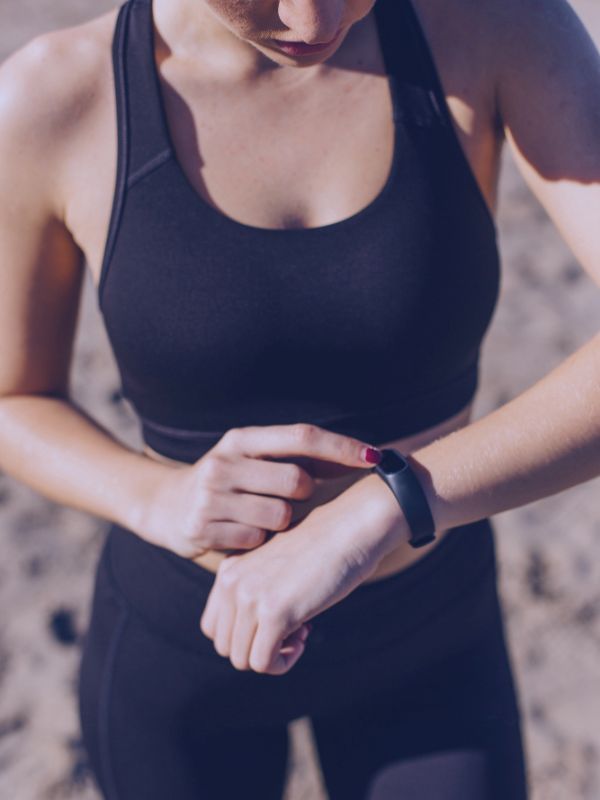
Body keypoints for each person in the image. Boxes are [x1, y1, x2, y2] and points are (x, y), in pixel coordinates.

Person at [0, 0, 598, 797]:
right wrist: (155, 497)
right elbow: (12, 396)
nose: (313, 17)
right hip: (183, 656)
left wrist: (390, 503)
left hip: (432, 640)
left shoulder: (495, 27)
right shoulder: (54, 96)